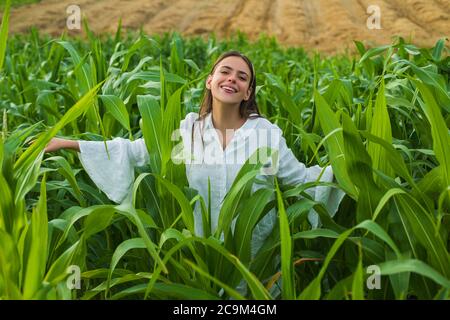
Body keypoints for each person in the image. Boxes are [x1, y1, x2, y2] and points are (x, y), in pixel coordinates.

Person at [45, 51, 344, 256]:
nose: (232, 79)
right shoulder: (188, 131)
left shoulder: (266, 134)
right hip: (196, 258)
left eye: (242, 77)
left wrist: (351, 169)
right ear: (209, 81)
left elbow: (302, 178)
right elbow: (135, 152)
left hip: (254, 262)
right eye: (224, 72)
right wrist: (68, 143)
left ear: (248, 92)